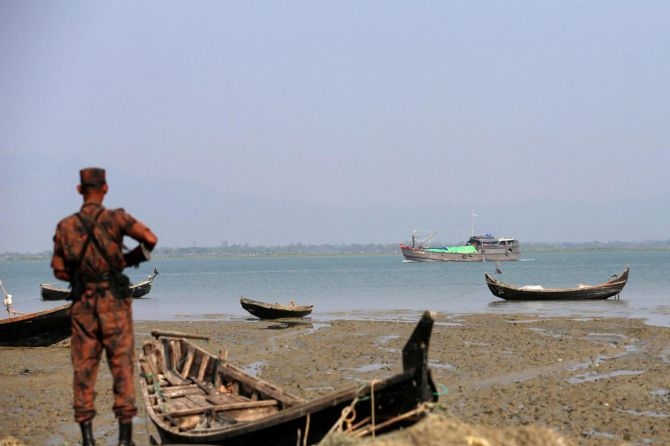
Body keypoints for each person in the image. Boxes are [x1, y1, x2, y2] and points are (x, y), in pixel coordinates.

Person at [51, 168, 158, 446]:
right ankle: (124, 439)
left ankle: (88, 440)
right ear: (106, 189)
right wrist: (125, 260)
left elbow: (58, 270)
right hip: (115, 304)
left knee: (84, 369)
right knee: (121, 366)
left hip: (83, 305)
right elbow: (150, 240)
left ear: (79, 190)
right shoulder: (116, 219)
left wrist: (80, 275)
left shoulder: (65, 226)